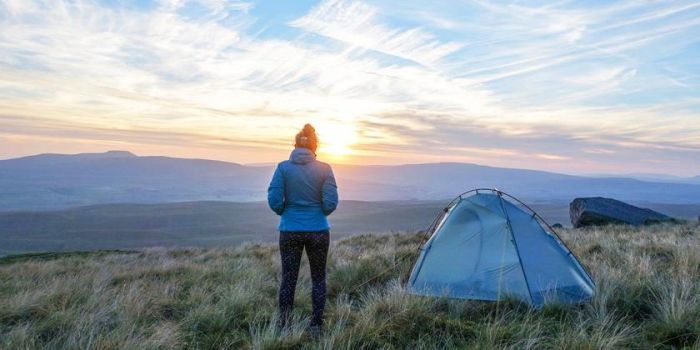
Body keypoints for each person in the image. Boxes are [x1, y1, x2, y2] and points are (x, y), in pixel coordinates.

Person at [267, 123, 338, 336]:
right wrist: (319, 212)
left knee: (288, 278)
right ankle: (316, 325)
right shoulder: (325, 169)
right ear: (314, 146)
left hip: (290, 230)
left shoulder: (283, 168)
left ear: (295, 145)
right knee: (318, 278)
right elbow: (330, 203)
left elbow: (273, 199)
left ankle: (285, 326)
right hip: (318, 230)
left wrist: (286, 212)